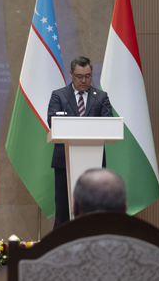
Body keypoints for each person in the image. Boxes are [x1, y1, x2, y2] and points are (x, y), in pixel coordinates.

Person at [47, 56, 113, 228]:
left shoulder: (101, 97)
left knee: (94, 209)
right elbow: (52, 121)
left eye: (88, 76)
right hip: (64, 162)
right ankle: (61, 242)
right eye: (79, 76)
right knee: (63, 211)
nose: (84, 81)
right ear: (71, 74)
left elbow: (109, 123)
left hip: (94, 162)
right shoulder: (59, 96)